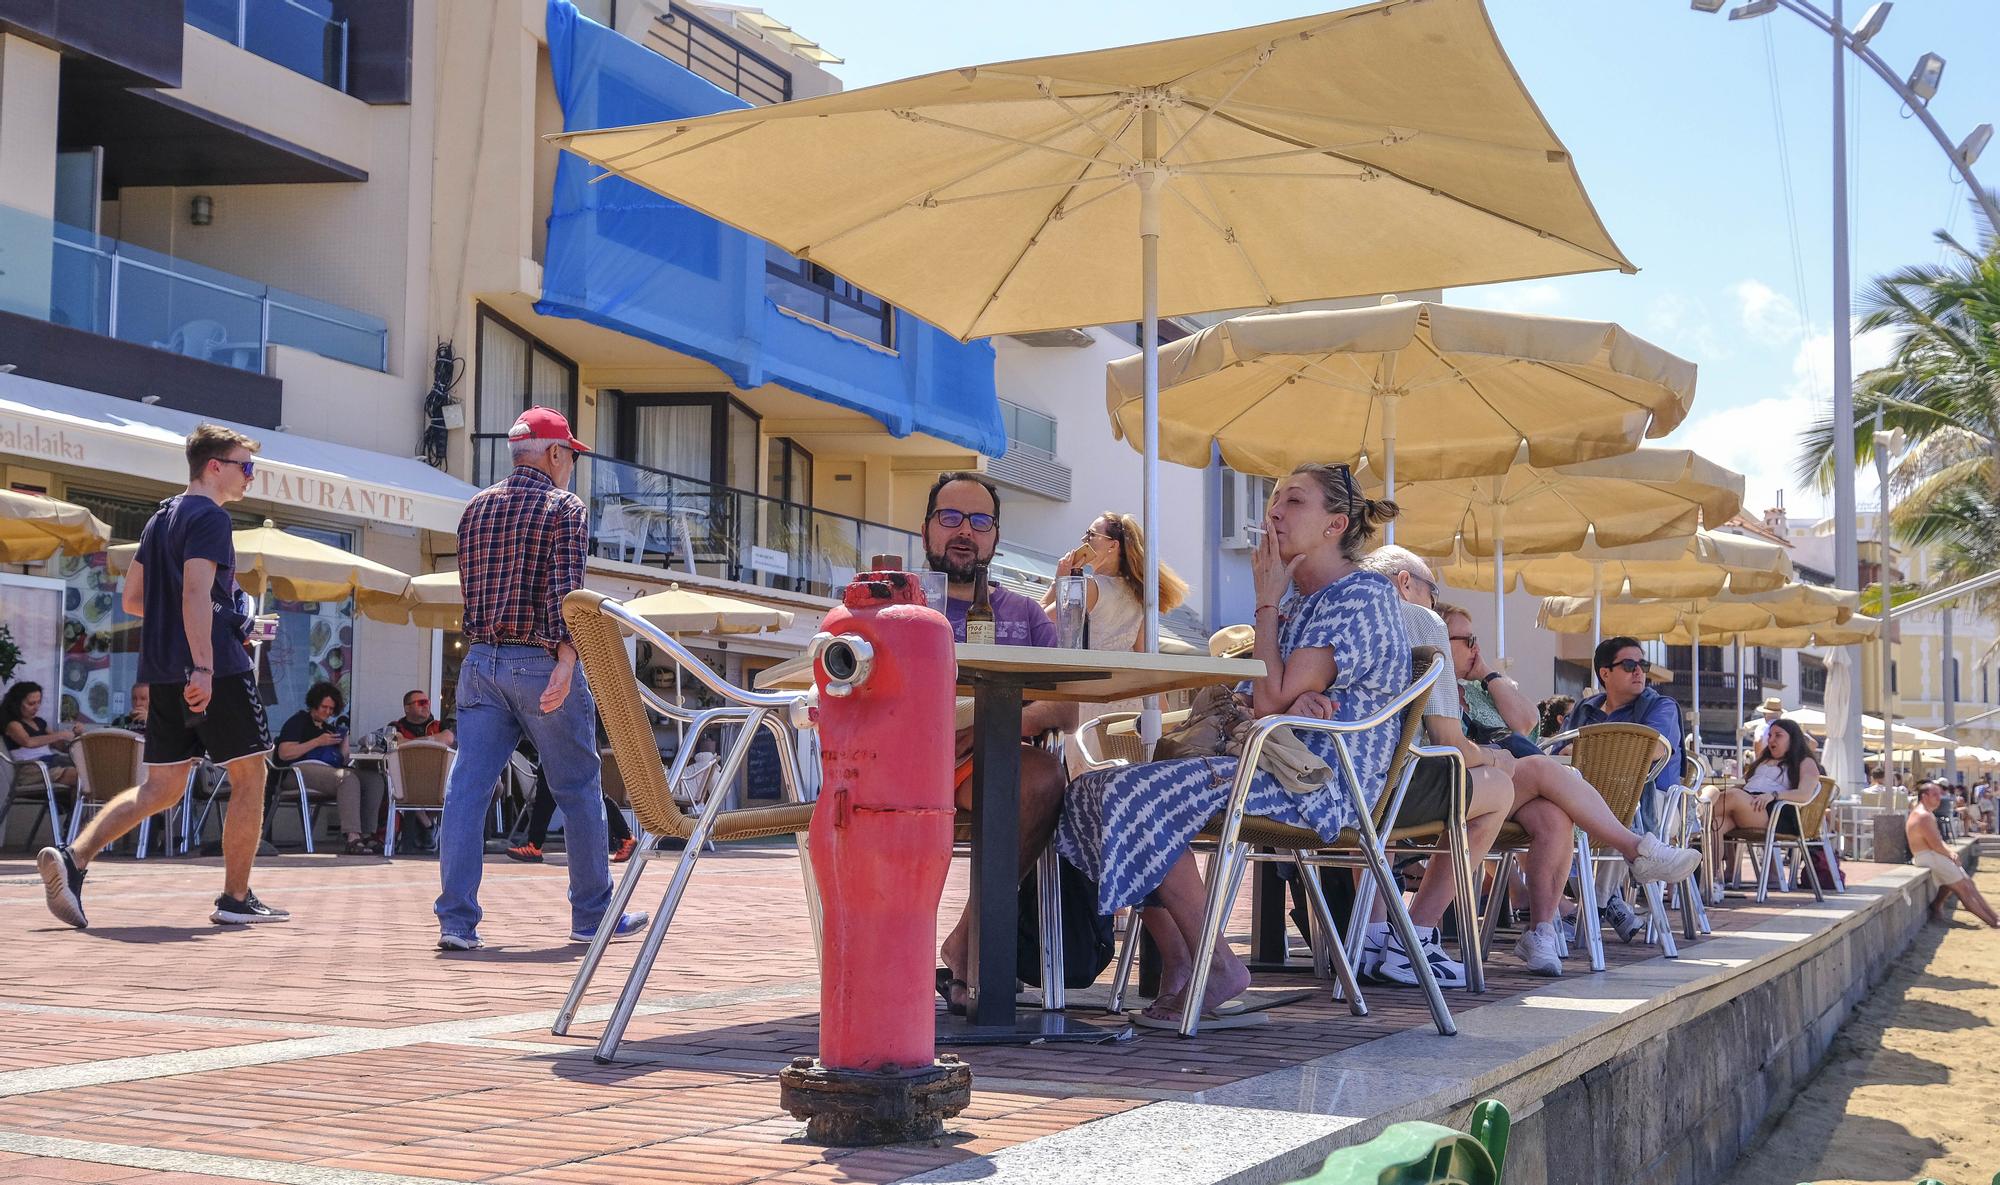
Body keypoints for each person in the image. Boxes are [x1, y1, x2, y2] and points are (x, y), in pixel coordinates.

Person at [1060, 463, 1410, 1025]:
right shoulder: (1303, 602)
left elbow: (1268, 699)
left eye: (1293, 501)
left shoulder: (1361, 595)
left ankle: (1217, 965)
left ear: (1335, 524)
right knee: (1093, 790)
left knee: (1133, 797)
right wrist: (1282, 697)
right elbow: (1265, 697)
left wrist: (1265, 609)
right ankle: (1186, 964)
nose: (1273, 512)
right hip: (1271, 763)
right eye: (1273, 500)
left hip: (1323, 784)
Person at [39, 424, 284, 928]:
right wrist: (205, 661)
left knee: (162, 788)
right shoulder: (211, 517)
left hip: (164, 671)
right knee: (250, 775)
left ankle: (73, 857)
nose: (251, 477)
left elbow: (133, 599)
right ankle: (236, 899)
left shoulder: (161, 517)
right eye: (246, 466)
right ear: (214, 466)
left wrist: (206, 629)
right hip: (210, 669)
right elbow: (195, 592)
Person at [432, 408, 644, 951]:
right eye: (570, 454)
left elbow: (470, 590)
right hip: (541, 660)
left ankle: (457, 923)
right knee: (577, 788)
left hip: (480, 661)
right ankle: (591, 916)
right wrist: (569, 662)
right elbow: (566, 594)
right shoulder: (562, 506)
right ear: (553, 454)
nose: (572, 463)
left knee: (466, 792)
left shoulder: (476, 507)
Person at [1432, 601, 1701, 974]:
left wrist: (1488, 674)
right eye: (1469, 639)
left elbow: (1526, 723)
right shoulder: (1435, 684)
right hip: (1468, 781)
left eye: (1642, 665)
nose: (1640, 671)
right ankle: (1637, 851)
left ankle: (1541, 931)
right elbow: (1547, 750)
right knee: (1550, 774)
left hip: (1525, 786)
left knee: (1555, 816)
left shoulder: (1476, 689)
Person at [924, 472, 1077, 1014]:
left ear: (995, 537)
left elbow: (1065, 707)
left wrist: (993, 722)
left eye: (980, 521)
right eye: (950, 518)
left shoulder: (1026, 613)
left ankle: (969, 941)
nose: (965, 531)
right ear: (926, 529)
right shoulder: (901, 604)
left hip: (981, 762)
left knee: (1041, 778)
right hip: (905, 761)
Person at [1352, 546, 1517, 984]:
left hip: (1313, 787)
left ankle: (1370, 938)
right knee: (1498, 789)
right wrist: (1497, 758)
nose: (1433, 602)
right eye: (1432, 590)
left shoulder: (1323, 608)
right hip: (1375, 794)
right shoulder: (1419, 621)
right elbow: (1449, 742)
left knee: (1371, 785)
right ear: (1406, 583)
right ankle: (1415, 938)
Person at [1041, 511, 1185, 652]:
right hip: (1118, 674)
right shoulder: (1140, 594)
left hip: (1084, 673)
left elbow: (1039, 623)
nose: (1084, 538)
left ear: (1113, 546)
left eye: (1091, 534)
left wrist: (1058, 581)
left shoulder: (1088, 587)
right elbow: (1142, 652)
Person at [1707, 718, 1822, 888]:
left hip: (1772, 812)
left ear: (1793, 738)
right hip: (1747, 804)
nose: (1771, 739)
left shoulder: (1805, 762)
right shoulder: (1762, 760)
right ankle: (1713, 881)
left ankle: (1690, 821)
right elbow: (1746, 784)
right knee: (1715, 824)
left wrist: (1774, 795)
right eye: (1770, 735)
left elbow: (1804, 795)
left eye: (1778, 735)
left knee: (1731, 796)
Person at [273, 681, 385, 856]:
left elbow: (344, 761)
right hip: (298, 772)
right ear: (314, 704)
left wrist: (344, 741)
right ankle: (352, 836)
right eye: (324, 707)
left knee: (373, 779)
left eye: (331, 709)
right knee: (346, 778)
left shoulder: (329, 728)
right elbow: (284, 753)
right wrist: (317, 742)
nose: (327, 712)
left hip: (329, 771)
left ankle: (368, 833)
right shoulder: (298, 721)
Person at [1906, 780, 1997, 926]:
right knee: (1965, 888)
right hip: (1927, 856)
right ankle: (1992, 921)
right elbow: (1935, 845)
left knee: (1967, 883)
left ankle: (1994, 917)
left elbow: (1937, 841)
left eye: (1939, 794)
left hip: (1931, 855)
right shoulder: (1923, 816)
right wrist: (1949, 854)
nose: (1939, 798)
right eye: (1935, 794)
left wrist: (1950, 853)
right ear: (1924, 796)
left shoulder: (1926, 813)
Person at [3, 683, 81, 791]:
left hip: (50, 763)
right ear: (17, 703)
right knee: (83, 776)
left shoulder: (40, 722)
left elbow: (62, 748)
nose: (36, 708)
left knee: (88, 769)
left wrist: (76, 734)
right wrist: (60, 735)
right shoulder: (12, 724)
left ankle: (73, 807)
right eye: (31, 704)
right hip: (32, 769)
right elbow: (28, 742)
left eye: (39, 702)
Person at [389, 689, 455, 746]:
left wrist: (408, 742)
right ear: (407, 708)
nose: (426, 706)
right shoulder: (396, 726)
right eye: (421, 703)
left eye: (427, 702)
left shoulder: (439, 725)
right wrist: (433, 739)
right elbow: (394, 743)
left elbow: (449, 739)